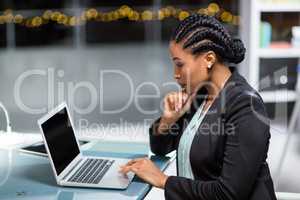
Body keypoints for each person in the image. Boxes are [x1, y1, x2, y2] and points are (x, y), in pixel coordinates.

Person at [119, 14, 277, 200]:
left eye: (180, 65)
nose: (175, 75)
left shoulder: (246, 106)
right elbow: (159, 148)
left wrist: (163, 180)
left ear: (209, 59)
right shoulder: (201, 96)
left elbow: (229, 193)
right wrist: (167, 120)